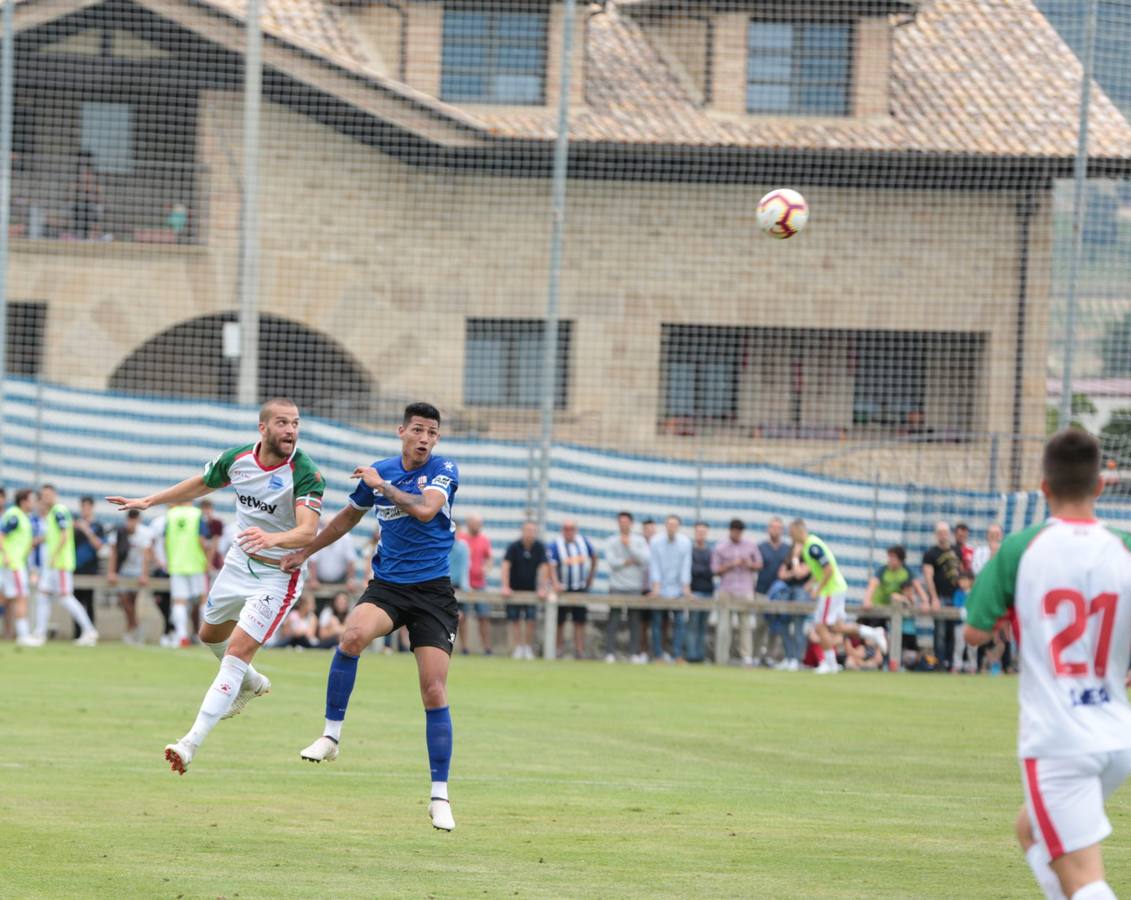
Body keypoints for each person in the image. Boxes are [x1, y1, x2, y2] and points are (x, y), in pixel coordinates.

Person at [107, 398, 324, 775]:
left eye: (296, 423)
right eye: (283, 423)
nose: (291, 430)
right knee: (209, 634)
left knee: (235, 654)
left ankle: (189, 743)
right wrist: (150, 501)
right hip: (240, 563)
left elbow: (308, 530)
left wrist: (275, 540)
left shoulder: (305, 471)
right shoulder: (237, 460)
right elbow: (200, 484)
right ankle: (251, 683)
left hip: (278, 573)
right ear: (263, 428)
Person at [965, 429, 1131, 900]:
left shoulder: (1019, 548)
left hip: (1060, 739)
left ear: (1044, 487)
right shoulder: (1124, 547)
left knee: (1085, 879)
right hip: (1117, 734)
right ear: (1100, 486)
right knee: (1031, 830)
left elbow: (976, 631)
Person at [280, 402, 460, 832]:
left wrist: (384, 485)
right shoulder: (380, 470)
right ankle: (331, 735)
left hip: (433, 594)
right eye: (418, 429)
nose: (425, 438)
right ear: (402, 431)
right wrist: (306, 550)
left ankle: (439, 796)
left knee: (433, 690)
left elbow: (425, 510)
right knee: (351, 637)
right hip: (389, 588)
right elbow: (347, 517)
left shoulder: (443, 470)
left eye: (432, 433)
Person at [789, 519, 887, 675]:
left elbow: (829, 569)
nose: (790, 535)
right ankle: (874, 633)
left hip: (831, 590)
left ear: (798, 530)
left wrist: (818, 589)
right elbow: (817, 571)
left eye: (791, 532)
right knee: (837, 627)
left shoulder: (813, 547)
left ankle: (830, 664)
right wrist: (810, 581)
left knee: (820, 626)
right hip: (837, 588)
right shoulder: (808, 547)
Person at [35, 484, 98, 645]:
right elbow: (53, 536)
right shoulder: (51, 514)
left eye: (49, 494)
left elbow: (64, 535)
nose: (46, 498)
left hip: (60, 563)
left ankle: (89, 630)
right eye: (44, 495)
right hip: (53, 565)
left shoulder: (59, 511)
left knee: (65, 597)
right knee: (43, 595)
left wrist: (55, 556)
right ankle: (39, 633)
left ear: (55, 495)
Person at [861, 546, 929, 668]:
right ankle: (877, 661)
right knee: (878, 636)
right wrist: (867, 600)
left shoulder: (907, 571)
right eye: (889, 557)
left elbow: (917, 587)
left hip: (897, 610)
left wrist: (925, 601)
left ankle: (891, 663)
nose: (890, 560)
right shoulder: (883, 570)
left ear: (900, 560)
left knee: (896, 637)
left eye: (893, 557)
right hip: (881, 607)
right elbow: (872, 584)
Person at [710, 519, 762, 667]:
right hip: (726, 590)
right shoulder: (721, 547)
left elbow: (759, 564)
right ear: (730, 531)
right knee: (724, 626)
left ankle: (746, 657)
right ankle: (721, 658)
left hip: (745, 590)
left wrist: (748, 564)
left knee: (745, 626)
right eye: (735, 531)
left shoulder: (750, 545)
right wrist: (731, 564)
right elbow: (714, 570)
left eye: (739, 532)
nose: (737, 534)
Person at [602, 511, 649, 664]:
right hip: (616, 585)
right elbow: (611, 562)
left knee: (635, 621)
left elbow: (645, 560)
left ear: (631, 523)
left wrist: (630, 547)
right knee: (613, 620)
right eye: (621, 522)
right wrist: (627, 562)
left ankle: (634, 653)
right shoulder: (611, 540)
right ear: (618, 523)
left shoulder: (639, 540)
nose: (623, 524)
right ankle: (609, 652)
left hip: (634, 586)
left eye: (626, 522)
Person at [548, 519, 598, 659]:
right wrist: (556, 583)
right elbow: (551, 566)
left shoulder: (583, 542)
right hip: (563, 589)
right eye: (566, 529)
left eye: (571, 529)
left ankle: (579, 650)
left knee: (579, 621)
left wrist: (590, 578)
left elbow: (594, 557)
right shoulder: (556, 545)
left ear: (575, 530)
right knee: (560, 621)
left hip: (580, 587)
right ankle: (558, 649)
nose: (568, 532)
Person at [164, 500, 210, 647]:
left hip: (177, 563)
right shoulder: (196, 514)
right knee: (203, 599)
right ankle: (206, 637)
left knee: (179, 601)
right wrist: (207, 559)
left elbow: (166, 540)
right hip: (196, 563)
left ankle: (181, 636)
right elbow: (201, 540)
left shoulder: (171, 515)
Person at [501, 520, 549, 660]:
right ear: (522, 531)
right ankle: (517, 647)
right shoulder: (514, 547)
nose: (530, 533)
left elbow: (544, 567)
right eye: (527, 530)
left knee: (530, 620)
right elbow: (505, 566)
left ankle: (527, 647)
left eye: (533, 530)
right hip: (514, 589)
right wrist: (505, 586)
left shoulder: (539, 547)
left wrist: (542, 588)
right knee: (515, 620)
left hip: (531, 590)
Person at [757, 517, 800, 670]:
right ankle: (756, 656)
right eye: (772, 527)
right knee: (760, 625)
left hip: (781, 595)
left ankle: (770, 656)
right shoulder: (761, 547)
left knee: (776, 627)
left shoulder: (788, 549)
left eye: (778, 528)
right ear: (768, 529)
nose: (775, 530)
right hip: (762, 592)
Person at [648, 514, 691, 663]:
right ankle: (658, 655)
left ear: (678, 527)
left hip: (678, 589)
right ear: (665, 525)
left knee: (679, 622)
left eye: (675, 524)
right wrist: (656, 586)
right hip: (660, 588)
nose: (672, 527)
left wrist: (685, 587)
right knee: (657, 623)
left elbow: (686, 566)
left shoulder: (685, 542)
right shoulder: (655, 541)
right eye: (669, 524)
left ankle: (677, 655)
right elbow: (654, 565)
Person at [107, 509, 154, 644]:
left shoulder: (144, 533)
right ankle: (136, 627)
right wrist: (111, 572)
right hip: (122, 571)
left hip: (135, 572)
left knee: (132, 602)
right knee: (124, 602)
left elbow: (145, 555)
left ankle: (130, 631)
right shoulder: (119, 532)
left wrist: (143, 575)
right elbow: (114, 553)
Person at [2, 489, 41, 646]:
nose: (33, 503)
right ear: (24, 501)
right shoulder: (15, 515)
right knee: (21, 597)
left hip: (15, 563)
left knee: (6, 598)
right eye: (31, 500)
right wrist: (5, 554)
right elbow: (1, 534)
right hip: (13, 564)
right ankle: (23, 635)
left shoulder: (24, 517)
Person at [922, 521, 963, 670]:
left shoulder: (957, 551)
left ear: (949, 534)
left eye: (945, 532)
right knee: (940, 631)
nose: (942, 536)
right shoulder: (930, 554)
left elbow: (962, 574)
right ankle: (940, 662)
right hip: (940, 597)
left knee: (954, 633)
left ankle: (952, 663)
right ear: (936, 535)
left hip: (956, 598)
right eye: (939, 533)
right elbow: (928, 577)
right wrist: (933, 598)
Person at [457, 513, 493, 655]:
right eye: (475, 523)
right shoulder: (461, 539)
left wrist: (487, 568)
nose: (477, 526)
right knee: (462, 617)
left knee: (483, 616)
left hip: (480, 584)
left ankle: (487, 647)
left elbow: (489, 558)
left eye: (479, 523)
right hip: (463, 585)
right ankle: (464, 647)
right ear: (469, 524)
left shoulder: (484, 540)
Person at [72, 496, 107, 639]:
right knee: (75, 602)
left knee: (89, 602)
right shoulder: (74, 526)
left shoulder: (97, 526)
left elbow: (99, 546)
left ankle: (90, 633)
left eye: (87, 507)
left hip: (91, 569)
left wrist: (86, 530)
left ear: (91, 508)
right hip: (75, 568)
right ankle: (77, 635)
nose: (85, 510)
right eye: (83, 506)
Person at [307, 522, 361, 599]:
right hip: (319, 580)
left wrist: (351, 580)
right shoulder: (317, 536)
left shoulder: (346, 538)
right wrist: (313, 579)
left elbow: (350, 561)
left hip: (341, 580)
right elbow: (313, 561)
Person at [686, 522, 714, 663]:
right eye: (698, 531)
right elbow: (692, 570)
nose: (701, 534)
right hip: (694, 591)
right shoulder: (689, 551)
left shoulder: (710, 552)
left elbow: (713, 570)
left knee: (703, 626)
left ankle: (700, 656)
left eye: (703, 532)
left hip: (708, 591)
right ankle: (691, 655)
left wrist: (702, 570)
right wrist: (705, 570)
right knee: (693, 625)